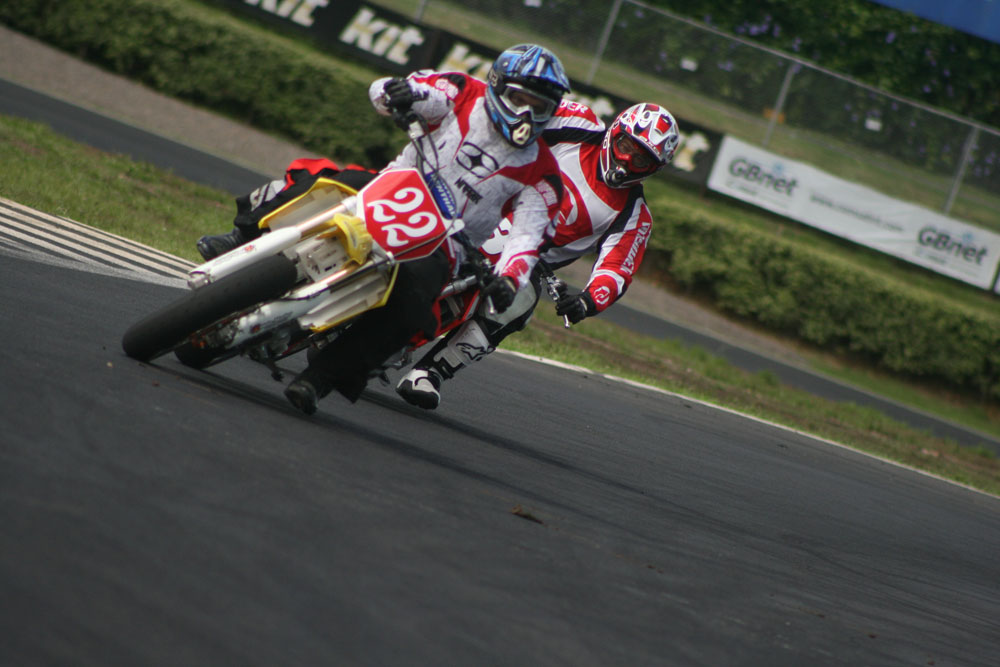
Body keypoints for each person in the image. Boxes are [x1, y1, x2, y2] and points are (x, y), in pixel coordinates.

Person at [235, 44, 568, 414]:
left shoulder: (545, 175)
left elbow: (527, 238)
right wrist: (397, 93)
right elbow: (395, 90)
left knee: (413, 313)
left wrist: (509, 279)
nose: (525, 114)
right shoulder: (461, 90)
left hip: (444, 247)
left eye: (538, 107)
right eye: (519, 99)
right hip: (389, 190)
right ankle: (242, 235)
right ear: (497, 85)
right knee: (330, 182)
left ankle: (320, 379)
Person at [395, 101, 680, 410]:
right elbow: (523, 119)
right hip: (489, 205)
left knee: (520, 304)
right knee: (417, 197)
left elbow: (616, 270)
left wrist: (586, 301)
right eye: (626, 146)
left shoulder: (635, 215)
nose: (626, 159)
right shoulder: (579, 122)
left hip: (527, 262)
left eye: (641, 159)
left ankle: (430, 373)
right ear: (615, 131)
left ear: (653, 169)